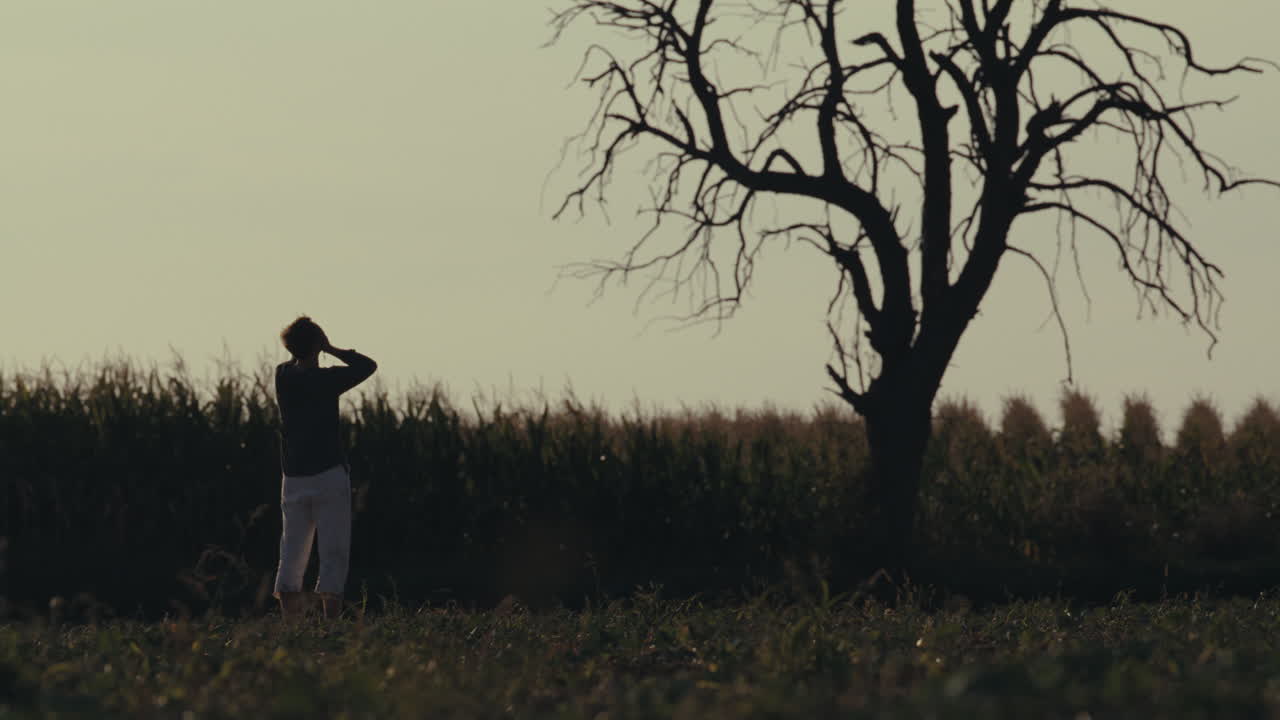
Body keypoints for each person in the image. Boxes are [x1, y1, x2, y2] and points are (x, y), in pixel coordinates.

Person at [272, 316, 377, 620]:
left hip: (293, 478)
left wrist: (318, 345)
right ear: (317, 344)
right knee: (333, 551)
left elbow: (298, 364)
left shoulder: (283, 376)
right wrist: (332, 348)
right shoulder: (327, 380)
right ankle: (332, 625)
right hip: (329, 475)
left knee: (291, 552)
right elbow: (368, 366)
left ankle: (291, 625)